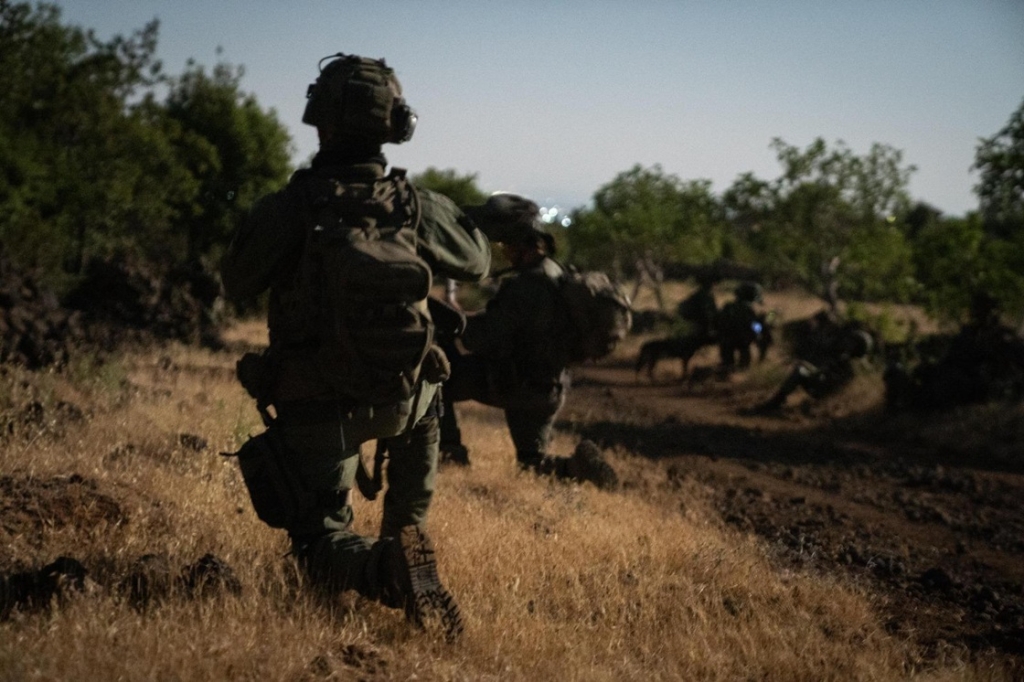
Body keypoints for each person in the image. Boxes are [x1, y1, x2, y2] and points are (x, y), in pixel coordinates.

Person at [220, 53, 490, 639]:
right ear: (397, 126)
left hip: (320, 404)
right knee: (430, 400)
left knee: (317, 540)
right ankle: (406, 541)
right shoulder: (416, 204)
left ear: (318, 120)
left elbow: (236, 281)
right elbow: (477, 260)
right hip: (406, 399)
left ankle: (381, 567)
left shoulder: (290, 206)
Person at [437, 193, 618, 490]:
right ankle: (577, 467)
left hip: (514, 382)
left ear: (519, 244)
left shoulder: (528, 285)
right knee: (532, 464)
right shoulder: (556, 271)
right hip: (551, 387)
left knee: (437, 378)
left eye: (505, 245)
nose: (504, 252)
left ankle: (451, 456)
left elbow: (480, 338)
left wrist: (447, 318)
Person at [884, 292, 1024, 411]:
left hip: (973, 381)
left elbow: (1000, 365)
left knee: (944, 385)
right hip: (955, 372)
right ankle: (906, 396)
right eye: (977, 309)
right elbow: (952, 356)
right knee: (922, 372)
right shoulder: (969, 331)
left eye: (982, 309)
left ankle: (913, 400)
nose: (978, 313)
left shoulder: (1001, 335)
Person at [753, 311, 873, 412]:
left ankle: (776, 402)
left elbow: (830, 380)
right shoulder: (847, 358)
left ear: (857, 348)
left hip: (823, 390)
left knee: (800, 371)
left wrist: (809, 367)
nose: (846, 342)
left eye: (851, 342)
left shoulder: (848, 364)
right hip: (823, 388)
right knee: (803, 368)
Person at [717, 281, 764, 372]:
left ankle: (726, 370)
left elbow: (719, 321)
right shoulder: (748, 310)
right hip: (742, 340)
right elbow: (755, 325)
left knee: (727, 362)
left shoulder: (728, 306)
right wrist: (759, 334)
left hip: (726, 340)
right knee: (744, 363)